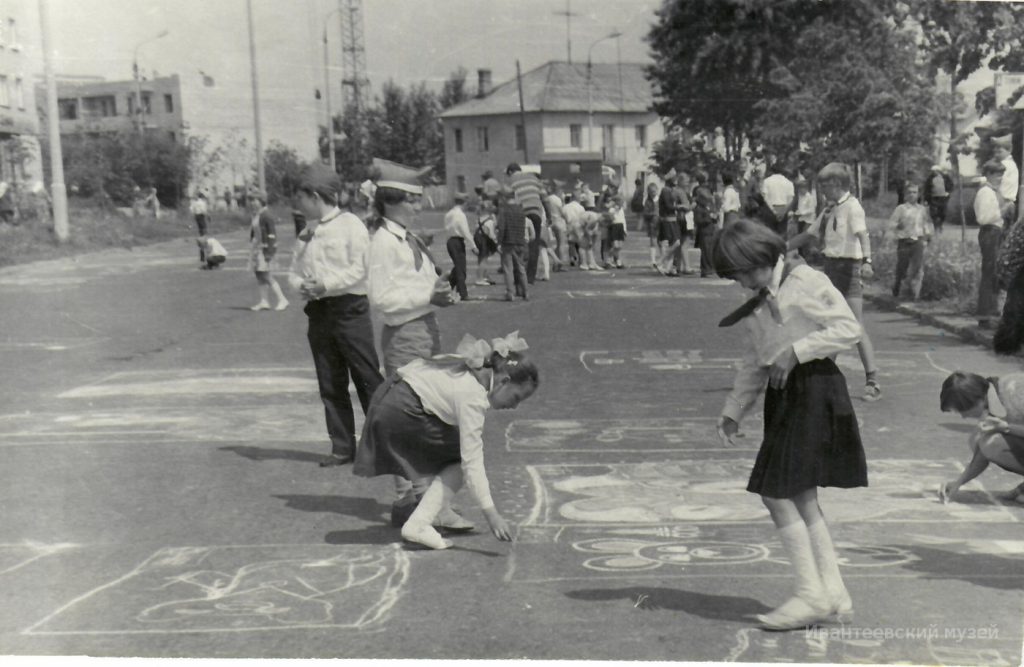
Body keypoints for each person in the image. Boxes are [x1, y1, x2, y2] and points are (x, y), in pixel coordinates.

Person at [713, 220, 866, 631]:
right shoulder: (759, 302)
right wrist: (734, 409)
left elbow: (849, 327)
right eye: (736, 276)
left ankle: (810, 594)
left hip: (815, 388)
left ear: (763, 257)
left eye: (745, 272)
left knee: (774, 491)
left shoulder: (805, 281)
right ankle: (833, 591)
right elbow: (754, 359)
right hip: (786, 397)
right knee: (799, 494)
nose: (743, 282)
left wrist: (797, 352)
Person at [354, 332, 539, 549]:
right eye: (516, 397)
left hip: (391, 398)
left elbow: (417, 369)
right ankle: (419, 524)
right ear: (503, 381)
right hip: (401, 410)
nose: (514, 406)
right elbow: (472, 462)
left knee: (452, 449)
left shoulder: (474, 368)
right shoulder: (473, 396)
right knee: (460, 462)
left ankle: (434, 513)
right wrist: (492, 515)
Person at [290, 167, 383, 468]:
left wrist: (327, 284)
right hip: (318, 312)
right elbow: (293, 270)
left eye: (301, 198)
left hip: (349, 310)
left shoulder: (350, 225)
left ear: (315, 196)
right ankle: (342, 446)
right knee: (330, 381)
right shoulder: (307, 231)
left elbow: (361, 268)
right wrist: (301, 286)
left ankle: (385, 443)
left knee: (367, 378)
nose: (298, 204)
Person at [806, 162, 880, 401]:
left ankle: (872, 380)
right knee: (830, 322)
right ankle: (823, 378)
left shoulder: (852, 207)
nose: (823, 190)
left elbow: (862, 235)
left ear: (837, 184)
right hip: (831, 267)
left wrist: (867, 261)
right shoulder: (830, 208)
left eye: (825, 186)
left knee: (855, 326)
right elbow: (810, 233)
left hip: (849, 267)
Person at [938, 371, 1024, 505]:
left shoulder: (1017, 393)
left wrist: (1007, 427)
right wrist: (958, 483)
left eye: (963, 411)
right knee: (981, 440)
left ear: (977, 401)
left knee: (993, 443)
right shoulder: (991, 399)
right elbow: (982, 453)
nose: (963, 417)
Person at [975, 160, 1009, 330]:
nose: (1000, 178)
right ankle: (984, 316)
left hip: (996, 232)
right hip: (989, 232)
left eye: (1002, 174)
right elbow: (984, 218)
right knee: (989, 273)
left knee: (996, 274)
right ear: (988, 174)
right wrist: (1003, 210)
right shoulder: (985, 192)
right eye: (997, 174)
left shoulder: (995, 192)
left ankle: (992, 312)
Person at [887, 182, 933, 301]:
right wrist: (894, 231)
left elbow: (925, 224)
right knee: (902, 267)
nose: (912, 195)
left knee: (917, 268)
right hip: (904, 241)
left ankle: (914, 295)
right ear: (905, 195)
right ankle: (897, 285)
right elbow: (892, 224)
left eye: (914, 192)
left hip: (918, 240)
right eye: (909, 193)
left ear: (918, 194)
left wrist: (928, 236)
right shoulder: (901, 209)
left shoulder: (922, 209)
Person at [246, 189, 289, 312]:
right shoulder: (256, 214)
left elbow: (272, 235)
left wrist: (270, 251)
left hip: (264, 249)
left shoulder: (266, 215)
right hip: (256, 248)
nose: (252, 203)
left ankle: (282, 299)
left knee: (266, 275)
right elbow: (254, 232)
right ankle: (264, 301)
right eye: (251, 200)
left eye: (255, 200)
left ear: (262, 201)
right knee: (259, 275)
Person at [506, 163, 545, 284]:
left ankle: (519, 276)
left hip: (520, 214)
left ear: (510, 172)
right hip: (536, 212)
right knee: (534, 244)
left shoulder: (510, 181)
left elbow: (507, 200)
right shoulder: (533, 178)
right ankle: (530, 277)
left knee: (518, 244)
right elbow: (545, 197)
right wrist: (547, 214)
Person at [496, 186, 530, 300]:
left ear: (505, 198)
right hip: (520, 242)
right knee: (521, 268)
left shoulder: (504, 210)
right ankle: (525, 291)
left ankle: (510, 293)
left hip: (508, 242)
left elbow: (502, 228)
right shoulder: (521, 210)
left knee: (508, 269)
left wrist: (499, 242)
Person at [444, 193, 477, 302]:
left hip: (450, 241)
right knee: (461, 268)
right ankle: (462, 293)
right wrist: (473, 245)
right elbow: (465, 231)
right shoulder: (460, 215)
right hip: (457, 241)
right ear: (464, 202)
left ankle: (447, 286)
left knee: (458, 266)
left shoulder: (449, 214)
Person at [692, 173, 717, 278]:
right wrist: (709, 219)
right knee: (705, 251)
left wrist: (714, 218)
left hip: (709, 231)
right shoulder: (699, 209)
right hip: (704, 232)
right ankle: (706, 269)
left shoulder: (706, 208)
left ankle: (709, 268)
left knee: (709, 250)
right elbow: (699, 220)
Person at [656, 175, 681, 276]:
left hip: (671, 220)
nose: (676, 181)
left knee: (673, 244)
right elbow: (668, 206)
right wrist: (679, 207)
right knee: (676, 243)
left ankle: (668, 268)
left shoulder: (669, 190)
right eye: (674, 179)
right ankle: (660, 262)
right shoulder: (666, 190)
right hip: (668, 220)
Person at [760, 163, 795, 237]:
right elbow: (790, 199)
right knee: (782, 234)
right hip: (783, 207)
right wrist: (783, 211)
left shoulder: (766, 181)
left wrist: (773, 210)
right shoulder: (788, 182)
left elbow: (765, 197)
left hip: (770, 208)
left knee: (770, 234)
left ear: (772, 171)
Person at [993, 134, 1019, 222]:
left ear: (1009, 150)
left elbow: (994, 181)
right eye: (995, 152)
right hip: (1008, 202)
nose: (996, 155)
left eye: (999, 152)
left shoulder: (1005, 165)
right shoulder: (1011, 164)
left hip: (1003, 202)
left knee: (998, 229)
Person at [473, 197, 499, 287]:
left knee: (480, 259)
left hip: (478, 239)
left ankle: (484, 276)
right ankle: (479, 278)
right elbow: (491, 234)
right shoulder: (490, 221)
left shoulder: (479, 218)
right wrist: (495, 242)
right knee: (484, 260)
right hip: (484, 241)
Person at [923, 165, 951, 234]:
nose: (933, 172)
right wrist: (926, 199)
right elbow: (926, 189)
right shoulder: (930, 179)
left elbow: (951, 185)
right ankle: (936, 228)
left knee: (943, 213)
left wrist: (948, 192)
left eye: (935, 171)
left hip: (943, 198)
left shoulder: (945, 177)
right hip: (933, 198)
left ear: (939, 171)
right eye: (932, 171)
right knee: (934, 214)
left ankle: (940, 225)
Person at [643, 181, 660, 268]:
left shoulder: (660, 200)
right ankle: (653, 261)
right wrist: (652, 213)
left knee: (661, 242)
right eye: (651, 192)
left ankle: (662, 259)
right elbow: (645, 213)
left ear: (657, 190)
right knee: (653, 242)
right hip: (652, 224)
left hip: (661, 223)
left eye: (654, 191)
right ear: (648, 192)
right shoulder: (648, 201)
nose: (653, 193)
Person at [607, 196, 628, 269]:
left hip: (621, 227)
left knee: (620, 246)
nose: (620, 203)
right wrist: (614, 210)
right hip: (614, 226)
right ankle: (609, 259)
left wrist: (625, 230)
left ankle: (618, 261)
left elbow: (623, 220)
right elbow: (611, 219)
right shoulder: (611, 210)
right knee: (615, 245)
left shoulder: (621, 210)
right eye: (619, 202)